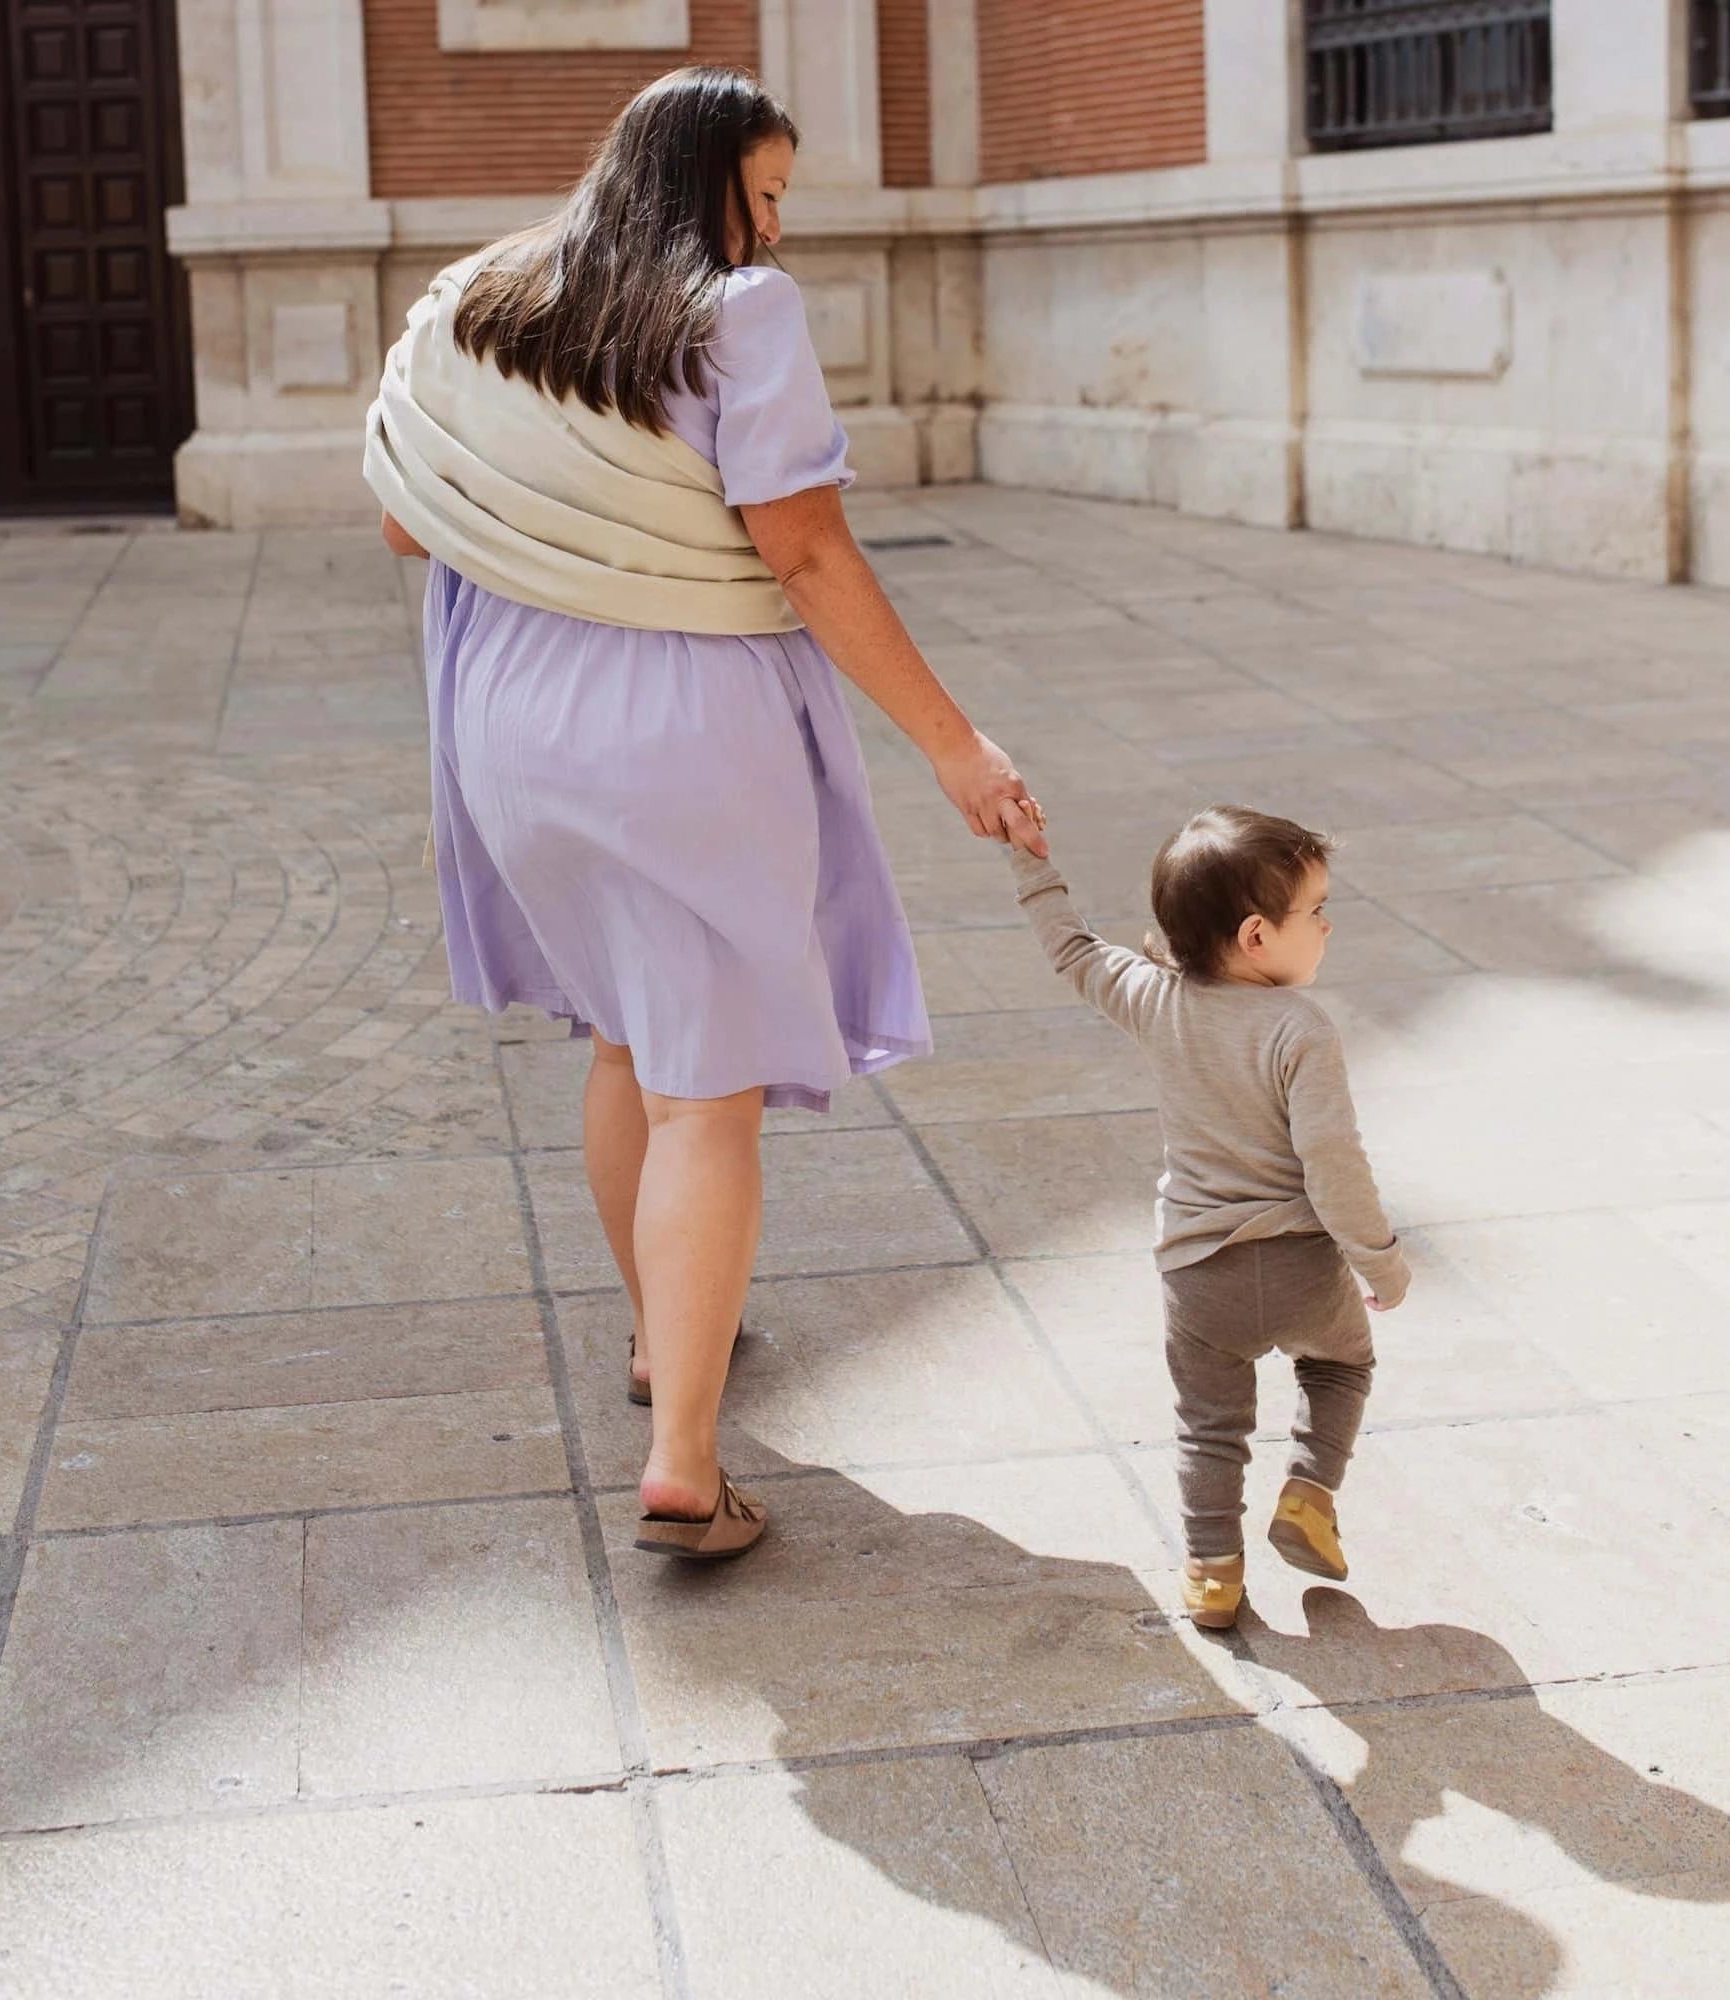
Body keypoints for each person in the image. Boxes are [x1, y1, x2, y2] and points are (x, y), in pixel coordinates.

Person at [366, 68, 1044, 1563]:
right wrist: (956, 743)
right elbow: (799, 552)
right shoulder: (738, 315)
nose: (780, 231)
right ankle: (685, 1460)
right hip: (680, 721)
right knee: (705, 1085)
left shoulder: (481, 305)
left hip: (509, 716)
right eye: (772, 195)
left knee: (625, 1035)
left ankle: (658, 1343)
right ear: (703, 184)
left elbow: (413, 516)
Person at [1006, 807, 1407, 1629]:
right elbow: (1333, 1164)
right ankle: (1308, 1490)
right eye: (1318, 911)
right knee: (1340, 1368)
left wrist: (1030, 860)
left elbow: (1072, 950)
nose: (1328, 925)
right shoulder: (1300, 1028)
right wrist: (1381, 1262)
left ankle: (1212, 1574)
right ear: (1258, 936)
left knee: (1207, 1429)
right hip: (1299, 1265)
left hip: (1199, 1278)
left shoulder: (1156, 998)